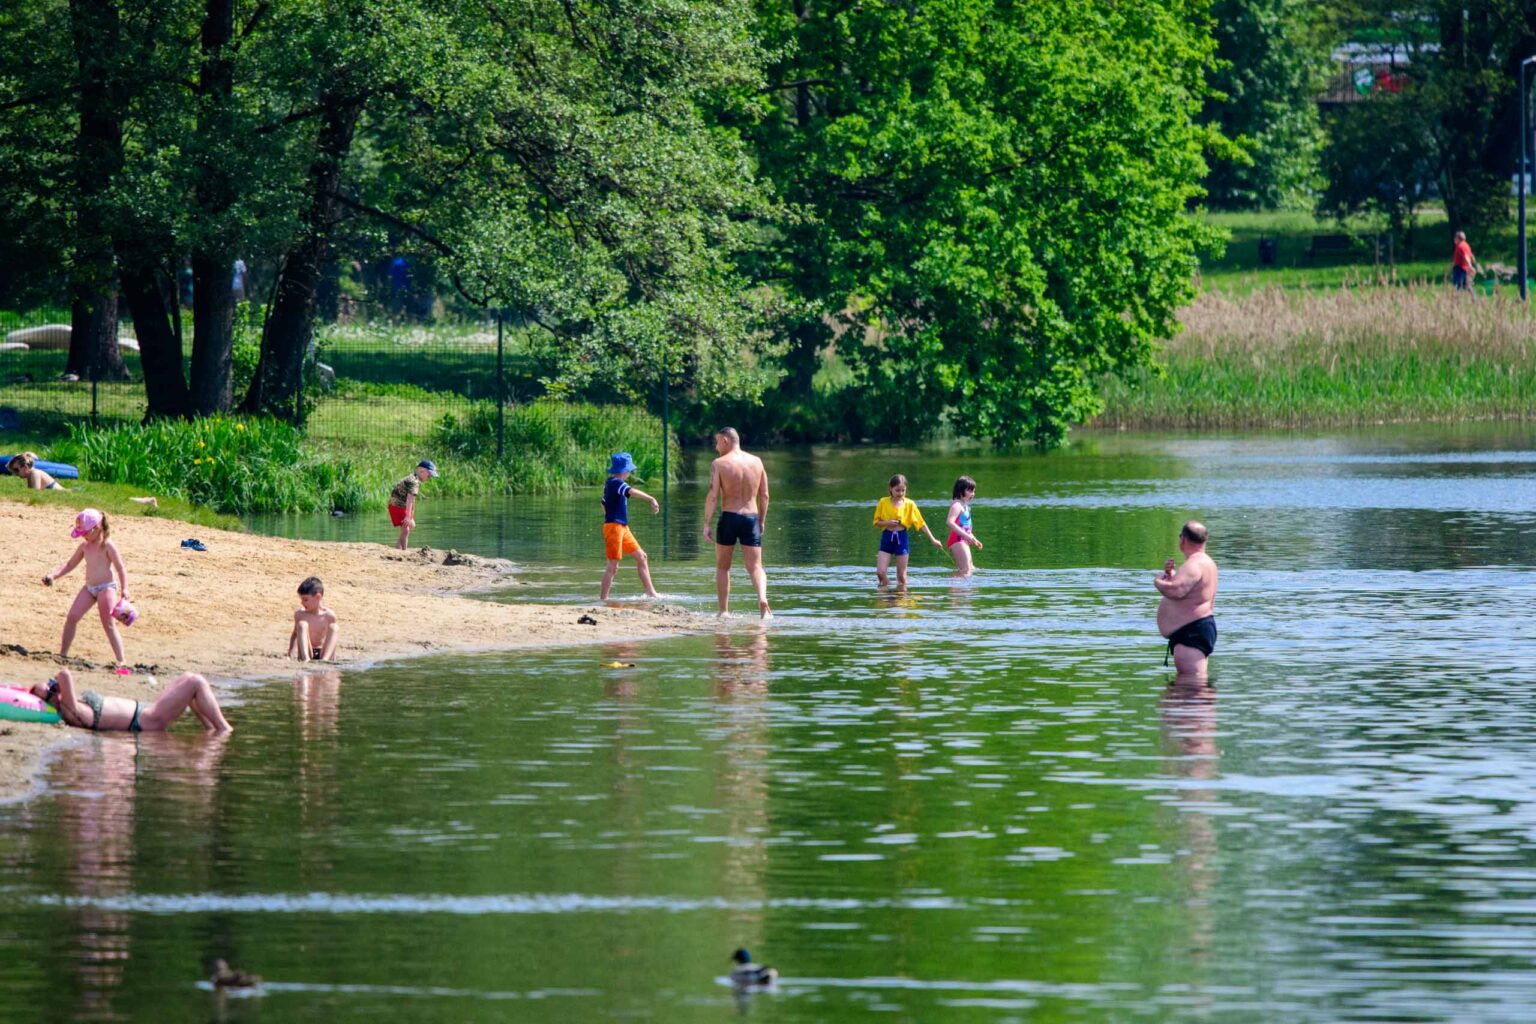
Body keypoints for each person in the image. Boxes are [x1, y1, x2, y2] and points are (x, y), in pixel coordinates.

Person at [43, 509, 132, 673]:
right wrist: (53, 575)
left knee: (108, 624)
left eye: (85, 532)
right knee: (72, 617)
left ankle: (121, 661)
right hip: (90, 588)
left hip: (106, 587)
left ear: (96, 528)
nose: (83, 536)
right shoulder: (84, 546)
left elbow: (120, 568)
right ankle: (63, 654)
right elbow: (69, 565)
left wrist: (125, 589)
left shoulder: (108, 545)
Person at [701, 427, 772, 618]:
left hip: (729, 518)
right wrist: (762, 521)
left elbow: (713, 496)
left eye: (717, 442)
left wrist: (706, 523)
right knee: (756, 567)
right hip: (751, 519)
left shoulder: (719, 463)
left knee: (723, 567)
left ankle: (724, 611)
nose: (716, 447)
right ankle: (762, 599)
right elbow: (764, 495)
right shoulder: (757, 462)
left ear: (725, 440)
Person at [29, 668, 231, 733]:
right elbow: (65, 674)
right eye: (47, 688)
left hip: (144, 713)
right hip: (146, 721)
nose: (50, 685)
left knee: (188, 678)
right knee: (195, 682)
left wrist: (53, 688)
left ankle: (212, 730)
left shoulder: (69, 705)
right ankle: (224, 729)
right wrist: (58, 683)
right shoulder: (69, 711)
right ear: (50, 698)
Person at [1154, 520, 1220, 680]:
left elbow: (1176, 591)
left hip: (1191, 633)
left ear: (1183, 539)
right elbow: (1189, 591)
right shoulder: (1205, 562)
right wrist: (1171, 577)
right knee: (1190, 689)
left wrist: (1158, 581)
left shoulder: (1194, 564)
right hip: (1195, 629)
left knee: (1191, 684)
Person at [599, 452, 661, 600]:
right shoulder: (616, 483)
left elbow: (603, 502)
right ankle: (603, 600)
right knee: (613, 566)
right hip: (614, 527)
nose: (630, 473)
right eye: (629, 470)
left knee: (641, 556)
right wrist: (651, 499)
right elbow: (630, 491)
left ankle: (651, 593)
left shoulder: (610, 483)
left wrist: (610, 515)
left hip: (622, 527)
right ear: (624, 471)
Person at [873, 474, 944, 590]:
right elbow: (876, 522)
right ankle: (886, 595)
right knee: (880, 573)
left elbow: (921, 523)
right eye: (897, 490)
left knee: (901, 576)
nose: (900, 493)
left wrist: (933, 539)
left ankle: (901, 601)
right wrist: (887, 523)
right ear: (890, 488)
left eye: (903, 490)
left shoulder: (910, 504)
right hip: (887, 538)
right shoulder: (883, 502)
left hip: (902, 538)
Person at [388, 459, 438, 550]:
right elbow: (410, 499)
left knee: (409, 527)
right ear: (422, 471)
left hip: (401, 505)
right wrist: (408, 516)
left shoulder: (414, 478)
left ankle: (398, 548)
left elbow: (412, 500)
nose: (430, 477)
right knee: (406, 529)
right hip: (397, 506)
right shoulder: (414, 482)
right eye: (429, 474)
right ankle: (404, 551)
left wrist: (411, 517)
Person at [287, 576, 339, 662]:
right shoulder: (300, 614)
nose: (302, 602)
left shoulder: (329, 616)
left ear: (318, 597)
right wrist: (290, 653)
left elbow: (332, 639)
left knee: (334, 627)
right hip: (307, 652)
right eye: (301, 599)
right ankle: (306, 659)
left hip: (323, 653)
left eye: (305, 599)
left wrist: (332, 656)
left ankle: (325, 661)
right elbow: (295, 634)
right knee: (302, 624)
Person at [945, 475, 982, 577]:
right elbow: (950, 522)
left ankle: (960, 590)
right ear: (961, 490)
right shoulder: (957, 505)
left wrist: (974, 538)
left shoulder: (965, 506)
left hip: (963, 539)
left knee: (970, 568)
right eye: (970, 491)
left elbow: (966, 527)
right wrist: (966, 536)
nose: (973, 494)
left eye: (974, 491)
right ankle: (955, 590)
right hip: (957, 540)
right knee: (966, 570)